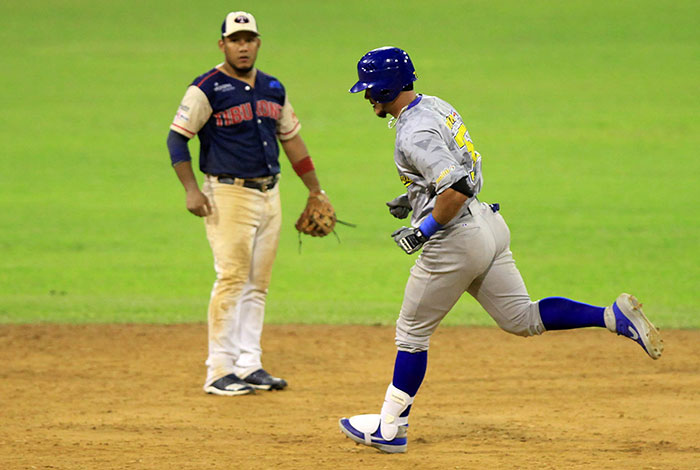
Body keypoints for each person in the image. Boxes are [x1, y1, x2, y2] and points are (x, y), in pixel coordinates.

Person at [338, 46, 663, 452]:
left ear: (385, 88)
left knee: (411, 334)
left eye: (370, 89)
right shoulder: (436, 106)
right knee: (520, 318)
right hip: (489, 226)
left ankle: (390, 427)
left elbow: (455, 187)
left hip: (456, 239)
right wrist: (414, 197)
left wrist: (423, 228)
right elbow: (460, 172)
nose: (367, 97)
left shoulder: (412, 131)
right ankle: (611, 317)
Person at [166, 11, 334, 396]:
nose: (243, 46)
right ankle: (219, 369)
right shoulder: (206, 88)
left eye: (250, 39)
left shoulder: (273, 88)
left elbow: (291, 140)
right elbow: (177, 138)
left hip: (269, 193)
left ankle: (249, 362)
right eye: (235, 39)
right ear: (222, 44)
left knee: (258, 283)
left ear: (258, 43)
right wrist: (191, 189)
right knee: (231, 278)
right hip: (226, 194)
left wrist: (315, 189)